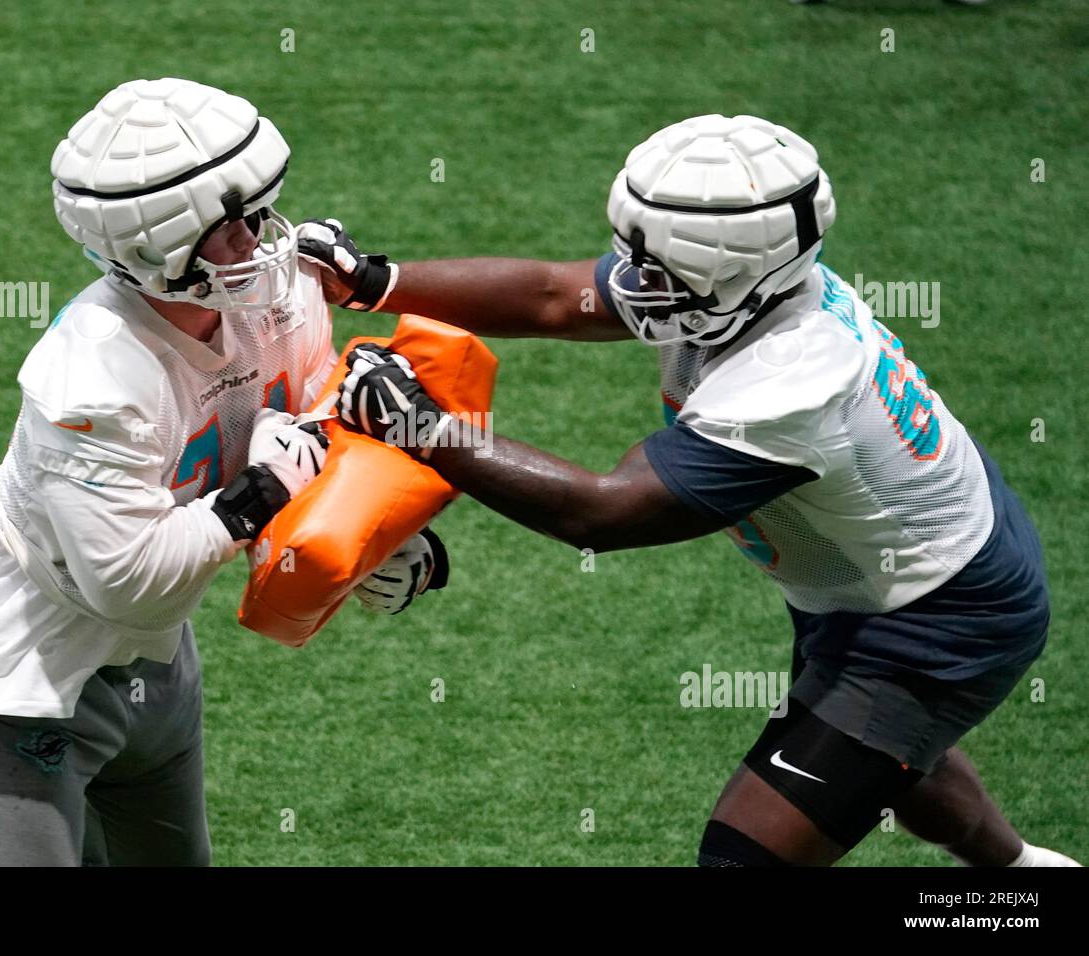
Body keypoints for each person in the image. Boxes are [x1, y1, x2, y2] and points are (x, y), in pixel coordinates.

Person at [299, 113, 1078, 866]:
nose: (635, 284)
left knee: (746, 855)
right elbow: (550, 296)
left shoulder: (790, 381)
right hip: (897, 569)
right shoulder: (745, 288)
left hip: (934, 618)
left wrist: (427, 429)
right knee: (890, 763)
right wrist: (376, 282)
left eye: (664, 270)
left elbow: (600, 512)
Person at [0, 78, 444, 866]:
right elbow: (126, 581)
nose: (263, 240)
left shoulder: (282, 294)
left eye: (260, 213)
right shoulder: (90, 380)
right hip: (18, 673)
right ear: (159, 246)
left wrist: (378, 536)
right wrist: (257, 496)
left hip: (154, 659)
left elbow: (317, 427)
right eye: (233, 226)